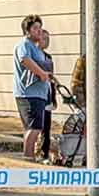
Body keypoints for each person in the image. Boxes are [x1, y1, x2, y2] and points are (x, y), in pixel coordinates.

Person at [14, 15, 53, 162]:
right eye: (35, 28)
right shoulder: (24, 45)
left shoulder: (37, 50)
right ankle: (28, 158)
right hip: (28, 94)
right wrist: (42, 73)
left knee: (34, 128)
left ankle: (28, 157)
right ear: (27, 31)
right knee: (34, 128)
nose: (39, 31)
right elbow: (25, 60)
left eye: (40, 28)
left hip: (40, 94)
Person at [38, 29, 57, 163]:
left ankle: (44, 154)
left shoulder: (48, 58)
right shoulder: (33, 56)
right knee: (36, 126)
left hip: (47, 95)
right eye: (44, 38)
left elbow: (51, 79)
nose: (47, 41)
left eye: (48, 38)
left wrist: (54, 97)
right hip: (36, 95)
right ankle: (34, 152)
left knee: (47, 127)